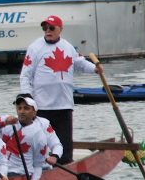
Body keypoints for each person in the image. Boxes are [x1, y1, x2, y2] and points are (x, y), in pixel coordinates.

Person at [20, 14, 100, 164]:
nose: (47, 31)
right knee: (42, 143)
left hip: (64, 104)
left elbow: (80, 63)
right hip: (42, 106)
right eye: (45, 28)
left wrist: (95, 68)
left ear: (60, 29)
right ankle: (41, 168)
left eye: (51, 28)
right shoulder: (35, 47)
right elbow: (25, 75)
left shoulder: (67, 47)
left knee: (64, 144)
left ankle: (65, 166)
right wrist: (27, 96)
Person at [0, 95, 56, 180]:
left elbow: (56, 145)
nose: (22, 111)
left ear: (34, 111)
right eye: (19, 108)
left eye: (26, 108)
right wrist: (2, 123)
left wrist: (55, 156)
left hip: (37, 167)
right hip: (7, 170)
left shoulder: (42, 126)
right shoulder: (9, 122)